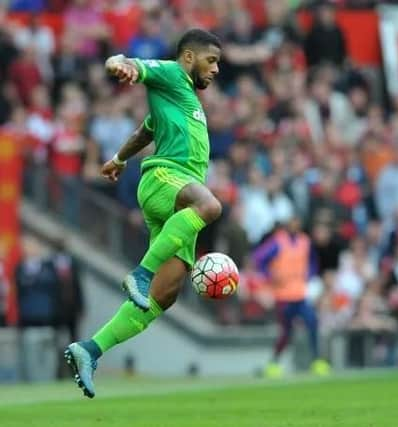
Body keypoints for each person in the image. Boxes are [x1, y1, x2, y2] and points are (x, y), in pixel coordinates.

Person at [64, 29, 223, 398]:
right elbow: (124, 63)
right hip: (167, 179)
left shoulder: (182, 100)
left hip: (174, 196)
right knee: (210, 206)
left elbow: (146, 129)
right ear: (188, 57)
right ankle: (139, 272)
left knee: (164, 295)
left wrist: (118, 158)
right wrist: (120, 65)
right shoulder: (170, 73)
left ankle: (90, 349)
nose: (215, 69)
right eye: (211, 60)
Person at [253, 216, 330, 378]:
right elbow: (259, 258)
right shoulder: (278, 241)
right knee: (286, 332)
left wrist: (309, 275)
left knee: (312, 323)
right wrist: (270, 275)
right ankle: (274, 363)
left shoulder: (304, 241)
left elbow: (313, 262)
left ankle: (317, 361)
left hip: (300, 293)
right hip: (283, 295)